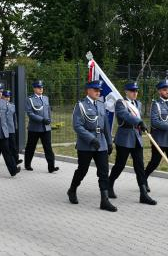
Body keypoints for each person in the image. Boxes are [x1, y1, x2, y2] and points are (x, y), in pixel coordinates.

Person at [67, 80, 117, 212]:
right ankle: (72, 189)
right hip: (86, 144)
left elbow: (106, 125)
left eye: (99, 90)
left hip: (101, 144)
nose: (98, 92)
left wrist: (109, 142)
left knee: (104, 172)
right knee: (82, 170)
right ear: (88, 90)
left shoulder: (101, 105)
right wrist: (91, 139)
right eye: (95, 90)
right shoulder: (81, 106)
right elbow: (77, 126)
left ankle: (104, 200)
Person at [108, 82, 156, 205]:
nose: (135, 93)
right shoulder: (120, 103)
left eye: (136, 91)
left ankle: (143, 194)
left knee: (139, 166)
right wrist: (139, 121)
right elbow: (125, 115)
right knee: (120, 165)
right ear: (126, 92)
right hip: (124, 138)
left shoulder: (138, 103)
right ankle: (109, 184)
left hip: (137, 138)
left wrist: (142, 125)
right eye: (132, 91)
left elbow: (137, 117)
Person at [24, 80, 59, 173]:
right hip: (34, 128)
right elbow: (30, 114)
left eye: (42, 87)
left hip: (46, 128)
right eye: (39, 87)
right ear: (34, 88)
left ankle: (51, 167)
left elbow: (48, 111)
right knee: (31, 147)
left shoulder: (45, 98)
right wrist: (42, 119)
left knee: (48, 148)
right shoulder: (30, 99)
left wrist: (49, 120)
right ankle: (27, 164)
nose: (41, 89)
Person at [1, 90, 22, 165]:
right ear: (2, 96)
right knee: (1, 147)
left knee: (13, 145)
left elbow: (14, 117)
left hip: (11, 128)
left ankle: (16, 160)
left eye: (8, 97)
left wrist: (15, 126)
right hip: (3, 129)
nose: (7, 98)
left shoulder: (12, 105)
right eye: (6, 96)